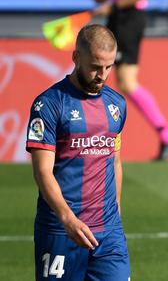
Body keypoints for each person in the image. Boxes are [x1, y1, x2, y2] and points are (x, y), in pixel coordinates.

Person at [26, 24, 131, 280]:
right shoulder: (49, 104)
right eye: (95, 66)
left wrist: (115, 210)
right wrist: (68, 219)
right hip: (61, 232)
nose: (102, 75)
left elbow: (114, 158)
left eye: (108, 66)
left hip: (108, 234)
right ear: (76, 57)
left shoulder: (116, 104)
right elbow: (42, 172)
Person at [93, 0, 168, 161]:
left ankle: (167, 134)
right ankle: (167, 135)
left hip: (128, 18)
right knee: (120, 81)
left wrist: (113, 5)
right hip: (120, 16)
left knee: (126, 81)